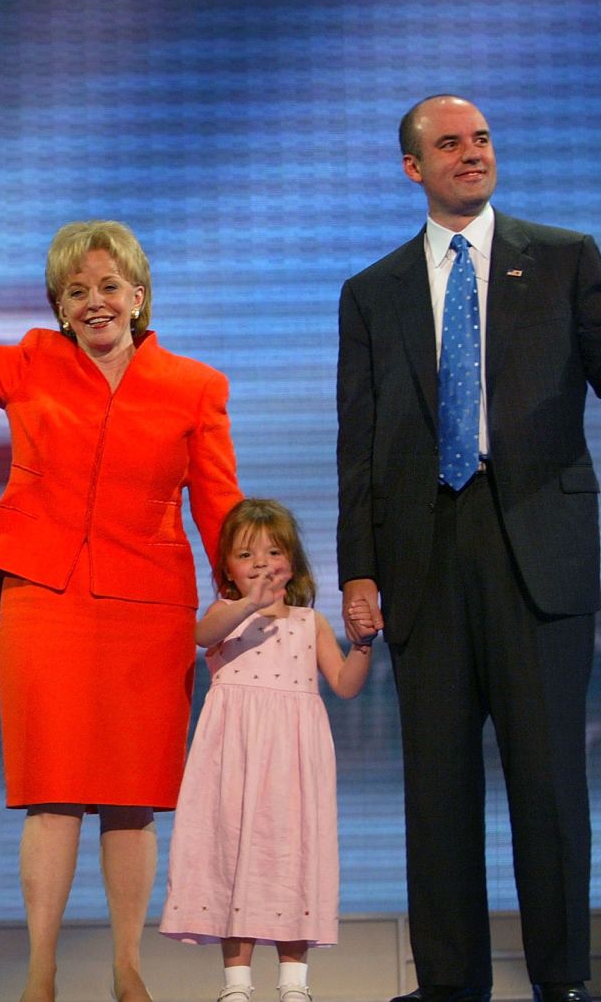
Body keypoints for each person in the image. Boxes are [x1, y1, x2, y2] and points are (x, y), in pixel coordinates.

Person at [0, 160, 241, 1002]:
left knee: (133, 798)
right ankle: (41, 971)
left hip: (149, 605)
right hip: (44, 599)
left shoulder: (195, 386)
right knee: (51, 793)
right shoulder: (33, 363)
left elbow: (220, 500)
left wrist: (250, 584)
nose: (93, 301)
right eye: (75, 289)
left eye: (108, 285)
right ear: (58, 305)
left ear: (139, 295)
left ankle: (127, 966)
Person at [337, 95, 599, 1002]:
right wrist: (358, 570)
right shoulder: (374, 292)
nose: (471, 153)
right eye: (449, 144)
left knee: (550, 780)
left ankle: (564, 981)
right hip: (424, 555)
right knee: (437, 789)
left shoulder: (564, 259)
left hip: (540, 546)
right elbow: (358, 443)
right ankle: (450, 986)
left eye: (481, 139)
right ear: (415, 167)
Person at [160, 499, 371, 1002]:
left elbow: (343, 684)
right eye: (246, 553)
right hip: (235, 758)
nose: (260, 563)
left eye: (273, 551)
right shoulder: (225, 615)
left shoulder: (308, 622)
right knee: (235, 855)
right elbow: (200, 635)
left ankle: (294, 983)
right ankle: (236, 984)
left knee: (293, 854)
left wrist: (362, 645)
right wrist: (249, 605)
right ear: (227, 568)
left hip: (294, 761)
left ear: (292, 562)